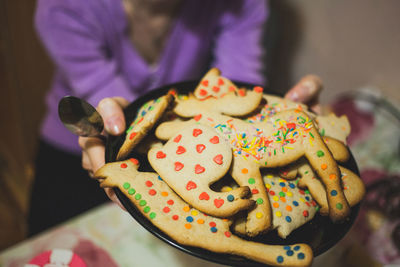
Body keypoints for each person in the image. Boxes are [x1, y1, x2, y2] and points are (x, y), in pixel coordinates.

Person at [28, 0, 321, 236]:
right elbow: (109, 100)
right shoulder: (63, 6)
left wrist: (277, 119)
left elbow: (237, 93)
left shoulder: (241, 4)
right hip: (74, 153)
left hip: (186, 155)